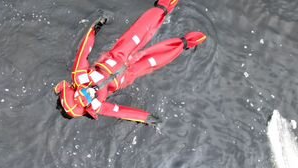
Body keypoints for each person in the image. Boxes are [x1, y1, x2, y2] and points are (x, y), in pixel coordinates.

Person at [54, 0, 207, 125]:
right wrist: (145, 117)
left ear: (74, 90)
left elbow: (84, 52)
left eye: (80, 96)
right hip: (127, 75)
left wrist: (95, 29)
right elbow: (120, 111)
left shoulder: (79, 77)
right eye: (83, 102)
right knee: (155, 59)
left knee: (140, 31)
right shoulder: (97, 106)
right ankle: (188, 41)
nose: (86, 96)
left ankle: (164, 6)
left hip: (117, 56)